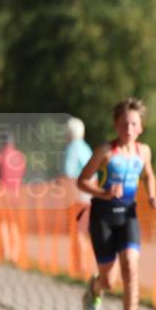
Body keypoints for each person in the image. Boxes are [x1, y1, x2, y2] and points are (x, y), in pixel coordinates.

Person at [77, 98, 156, 310]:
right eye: (124, 123)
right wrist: (103, 193)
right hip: (103, 217)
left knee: (131, 269)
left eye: (133, 123)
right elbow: (82, 181)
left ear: (140, 128)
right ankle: (95, 288)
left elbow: (148, 174)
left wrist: (152, 195)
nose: (128, 128)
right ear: (116, 125)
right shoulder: (105, 151)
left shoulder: (143, 151)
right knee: (110, 280)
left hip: (128, 215)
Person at [62, 117, 94, 276]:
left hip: (79, 198)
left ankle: (80, 268)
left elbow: (68, 174)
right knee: (83, 232)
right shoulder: (85, 148)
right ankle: (82, 266)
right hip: (89, 197)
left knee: (79, 232)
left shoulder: (73, 149)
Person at [0, 133, 27, 262]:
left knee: (3, 223)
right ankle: (15, 253)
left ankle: (6, 252)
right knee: (14, 223)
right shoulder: (20, 156)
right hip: (16, 194)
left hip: (2, 194)